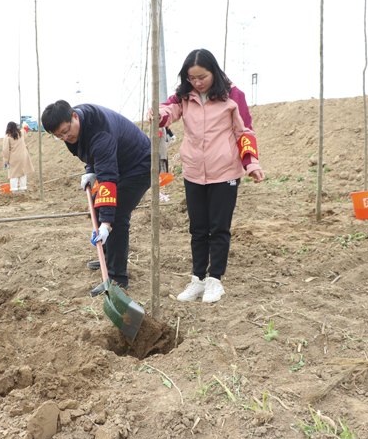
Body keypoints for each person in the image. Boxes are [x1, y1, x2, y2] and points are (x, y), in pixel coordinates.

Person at [151, 48, 265, 303]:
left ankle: (215, 281)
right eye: (192, 78)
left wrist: (251, 163)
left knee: (219, 229)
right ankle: (198, 280)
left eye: (202, 77)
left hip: (224, 171)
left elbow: (245, 132)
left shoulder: (233, 96)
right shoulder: (185, 95)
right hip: (193, 171)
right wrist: (158, 115)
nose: (197, 83)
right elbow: (169, 110)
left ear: (213, 71)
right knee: (198, 228)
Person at [42, 99, 151, 296]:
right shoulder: (75, 129)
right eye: (59, 136)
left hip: (139, 164)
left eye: (66, 131)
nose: (65, 137)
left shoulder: (99, 132)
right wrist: (91, 170)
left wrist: (107, 224)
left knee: (116, 215)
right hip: (117, 163)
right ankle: (107, 257)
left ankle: (117, 279)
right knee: (100, 204)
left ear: (75, 116)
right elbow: (94, 155)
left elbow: (108, 177)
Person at [3, 121, 34, 192]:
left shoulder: (7, 137)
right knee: (23, 172)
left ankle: (14, 189)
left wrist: (6, 161)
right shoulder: (20, 133)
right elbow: (25, 128)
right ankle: (23, 188)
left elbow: (6, 150)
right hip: (23, 157)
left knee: (13, 174)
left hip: (14, 158)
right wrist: (24, 123)